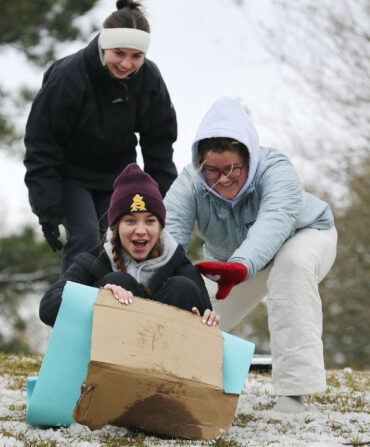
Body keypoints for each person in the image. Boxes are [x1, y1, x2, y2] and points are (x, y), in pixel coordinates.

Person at [164, 97, 337, 413]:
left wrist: (241, 266)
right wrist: (159, 281)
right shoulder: (189, 182)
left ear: (249, 159)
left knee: (292, 267)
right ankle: (169, 383)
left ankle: (293, 396)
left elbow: (274, 221)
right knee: (189, 309)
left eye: (232, 168)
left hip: (302, 238)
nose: (223, 178)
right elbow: (170, 237)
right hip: (231, 264)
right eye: (213, 170)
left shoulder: (276, 169)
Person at [24, 0, 177, 274]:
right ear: (104, 46)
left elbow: (159, 141)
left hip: (117, 177)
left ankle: (117, 307)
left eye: (136, 56)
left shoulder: (148, 78)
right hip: (73, 176)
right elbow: (41, 144)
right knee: (83, 238)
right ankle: (70, 307)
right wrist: (47, 210)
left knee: (118, 240)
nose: (126, 64)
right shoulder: (68, 77)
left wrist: (162, 199)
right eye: (119, 53)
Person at [40, 163, 219, 329]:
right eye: (130, 221)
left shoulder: (180, 265)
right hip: (110, 356)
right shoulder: (94, 261)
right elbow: (49, 307)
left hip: (165, 356)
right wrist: (97, 297)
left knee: (182, 287)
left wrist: (208, 318)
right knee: (118, 282)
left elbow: (211, 325)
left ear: (160, 227)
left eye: (150, 221)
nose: (141, 231)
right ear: (116, 227)